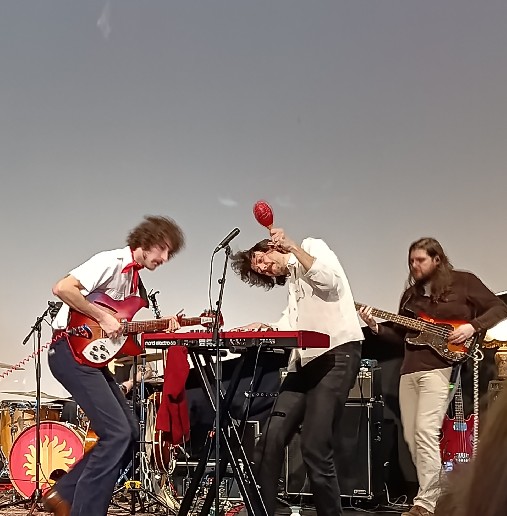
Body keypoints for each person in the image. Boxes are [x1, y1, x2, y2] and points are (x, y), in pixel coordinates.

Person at [43, 215, 185, 516]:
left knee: (130, 432)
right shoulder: (111, 261)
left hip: (89, 359)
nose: (164, 258)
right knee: (117, 434)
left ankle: (63, 494)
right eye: (162, 248)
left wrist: (164, 325)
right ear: (146, 240)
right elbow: (63, 288)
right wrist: (103, 317)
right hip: (69, 352)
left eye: (169, 253)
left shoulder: (135, 282)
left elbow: (120, 329)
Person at [358, 237, 507, 516]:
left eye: (420, 260)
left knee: (426, 431)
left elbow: (499, 308)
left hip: (439, 368)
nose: (414, 266)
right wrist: (375, 327)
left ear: (437, 259)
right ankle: (443, 493)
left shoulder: (464, 282)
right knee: (413, 437)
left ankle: (425, 504)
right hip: (409, 370)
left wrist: (472, 327)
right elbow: (400, 337)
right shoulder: (410, 297)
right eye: (411, 261)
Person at [230, 227, 364, 516]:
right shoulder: (292, 281)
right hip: (304, 362)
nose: (264, 269)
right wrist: (267, 328)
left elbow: (329, 282)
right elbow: (291, 323)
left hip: (336, 355)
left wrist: (292, 248)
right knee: (270, 440)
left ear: (270, 247)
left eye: (261, 261)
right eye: (260, 271)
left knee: (315, 447)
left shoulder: (311, 247)